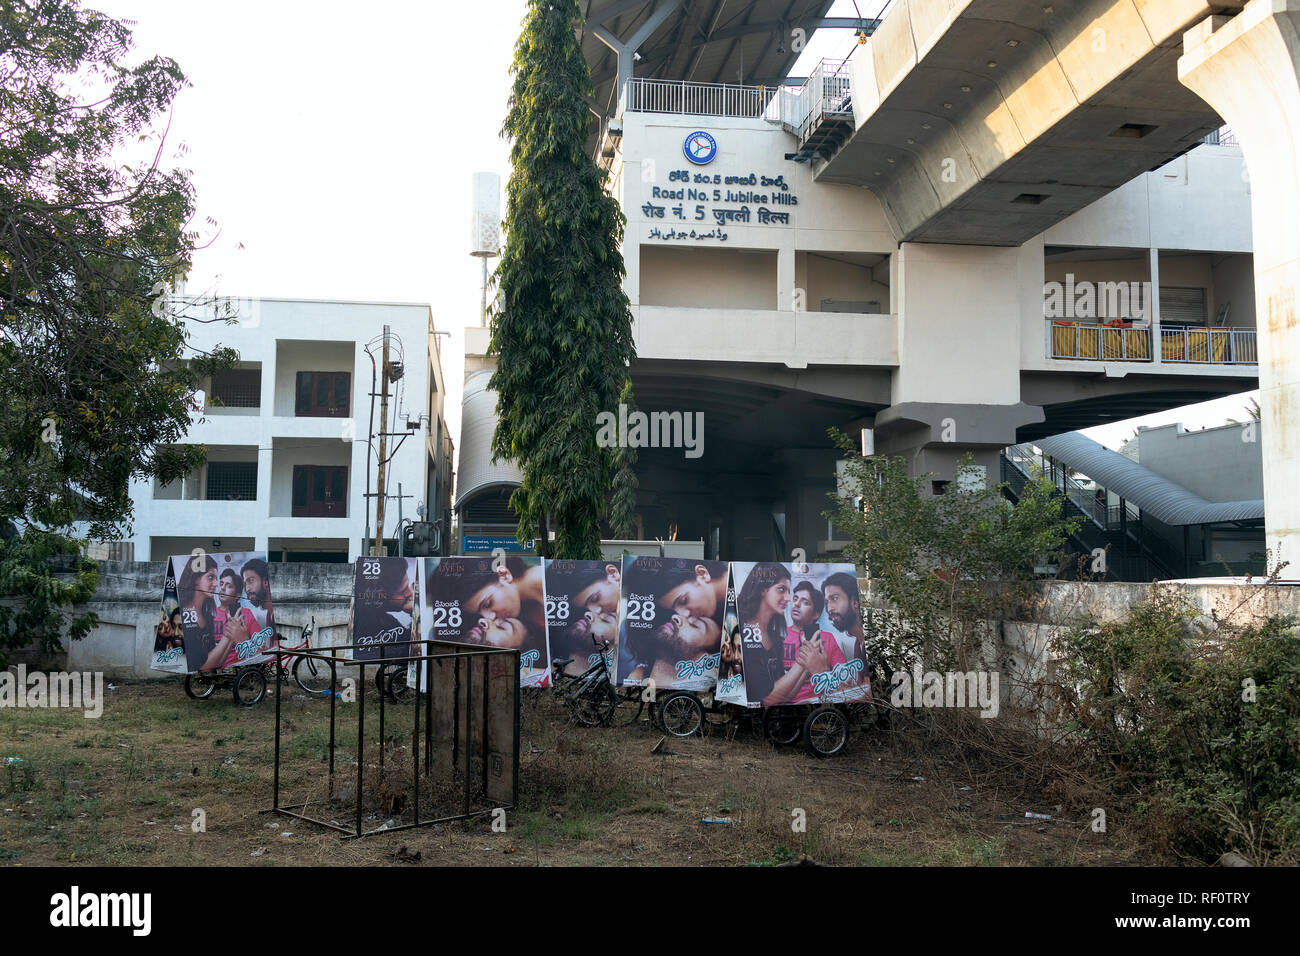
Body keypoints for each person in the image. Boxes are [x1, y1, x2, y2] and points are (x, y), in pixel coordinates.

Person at [735, 562, 802, 706]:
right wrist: (802, 663)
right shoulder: (738, 633)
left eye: (788, 592)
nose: (788, 598)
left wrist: (807, 664)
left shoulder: (776, 640)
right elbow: (767, 698)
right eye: (781, 589)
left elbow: (784, 695)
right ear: (763, 589)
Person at [779, 581, 847, 704]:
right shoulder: (777, 636)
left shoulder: (827, 639)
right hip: (781, 707)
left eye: (805, 602)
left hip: (818, 707)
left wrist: (823, 669)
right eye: (795, 599)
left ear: (816, 614)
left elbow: (845, 683)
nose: (797, 604)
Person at [353, 560, 415, 659]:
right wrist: (416, 614)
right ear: (383, 595)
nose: (409, 593)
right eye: (403, 590)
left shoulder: (386, 618)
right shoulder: (368, 621)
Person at [822, 571, 870, 697]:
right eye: (827, 602)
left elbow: (867, 694)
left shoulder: (865, 643)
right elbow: (861, 687)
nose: (829, 608)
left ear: (855, 602)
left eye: (835, 598)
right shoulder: (857, 643)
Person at [177, 554, 218, 671]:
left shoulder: (208, 616)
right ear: (196, 579)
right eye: (211, 577)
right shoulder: (180, 614)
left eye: (216, 578)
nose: (216, 583)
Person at [240, 558, 274, 633]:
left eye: (251, 580)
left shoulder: (276, 613)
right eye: (245, 584)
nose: (247, 589)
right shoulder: (265, 616)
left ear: (266, 582)